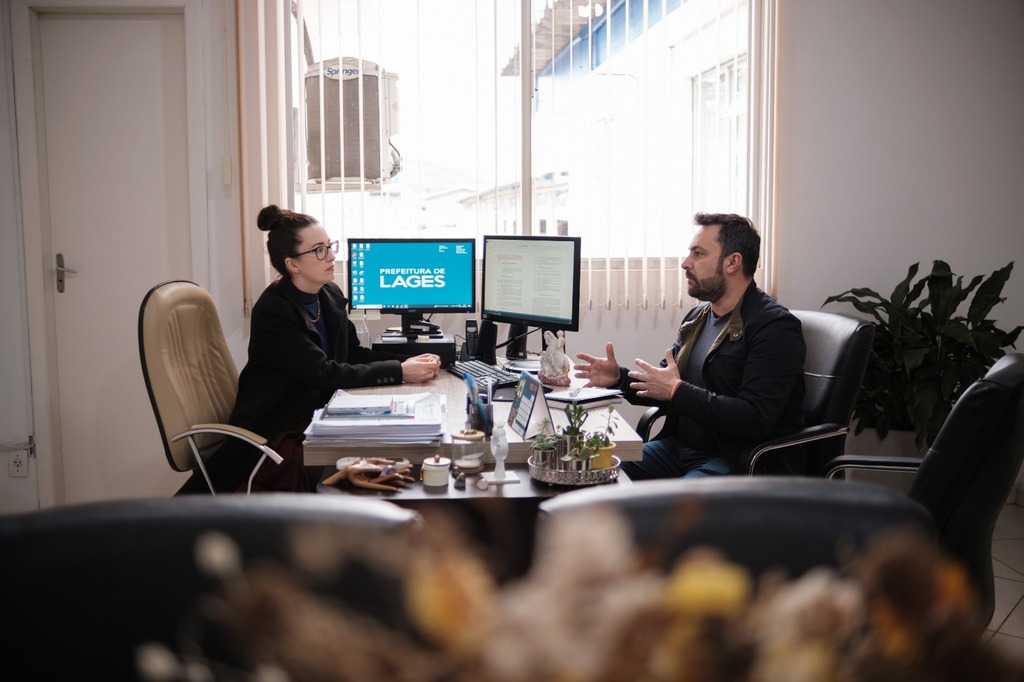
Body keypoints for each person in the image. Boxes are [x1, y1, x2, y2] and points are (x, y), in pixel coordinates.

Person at [206, 205, 441, 492]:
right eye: (319, 250)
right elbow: (322, 372)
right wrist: (400, 372)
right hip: (281, 428)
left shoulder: (329, 293)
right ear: (292, 264)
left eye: (329, 246)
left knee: (393, 452)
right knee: (381, 469)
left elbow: (353, 353)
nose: (331, 256)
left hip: (321, 413)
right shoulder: (274, 310)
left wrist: (409, 360)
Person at [573, 212, 806, 479]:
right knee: (591, 469)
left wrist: (676, 391)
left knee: (674, 508)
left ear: (733, 262)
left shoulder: (774, 327)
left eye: (698, 254)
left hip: (733, 458)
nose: (685, 263)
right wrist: (619, 379)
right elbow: (664, 387)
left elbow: (754, 418)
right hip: (678, 448)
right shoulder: (698, 317)